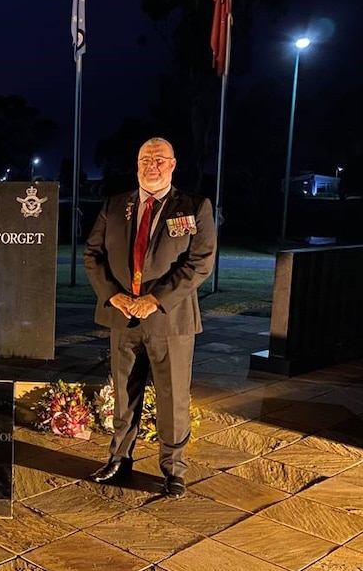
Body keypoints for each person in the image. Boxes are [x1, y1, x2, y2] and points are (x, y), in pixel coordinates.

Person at [83, 137, 216, 498]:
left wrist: (155, 300)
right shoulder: (115, 206)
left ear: (173, 164)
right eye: (145, 159)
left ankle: (173, 470)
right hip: (123, 317)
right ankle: (119, 459)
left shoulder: (194, 206)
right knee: (125, 394)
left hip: (169, 321)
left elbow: (201, 262)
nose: (152, 165)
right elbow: (92, 255)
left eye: (160, 159)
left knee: (173, 398)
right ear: (137, 163)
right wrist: (114, 295)